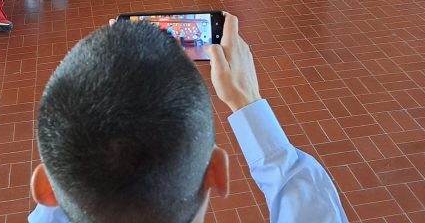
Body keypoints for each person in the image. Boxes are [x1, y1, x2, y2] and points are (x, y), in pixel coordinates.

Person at [27, 13, 348, 223]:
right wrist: (246, 100)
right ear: (217, 173)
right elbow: (305, 200)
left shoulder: (52, 189)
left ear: (45, 189)